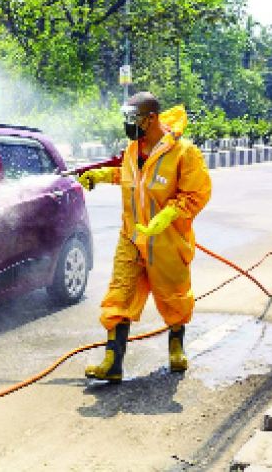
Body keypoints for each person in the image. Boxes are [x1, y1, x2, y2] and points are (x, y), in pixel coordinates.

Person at [78, 92, 212, 382]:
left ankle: (176, 344)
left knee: (174, 297)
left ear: (151, 119)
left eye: (133, 117)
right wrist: (100, 176)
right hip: (131, 237)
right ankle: (112, 363)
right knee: (119, 295)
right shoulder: (132, 150)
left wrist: (168, 215)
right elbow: (129, 177)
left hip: (166, 241)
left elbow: (196, 193)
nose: (129, 123)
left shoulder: (183, 152)